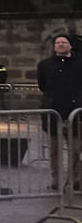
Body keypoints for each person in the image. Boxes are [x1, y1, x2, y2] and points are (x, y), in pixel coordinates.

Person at [39, 33, 81, 195]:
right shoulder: (45, 65)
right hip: (53, 112)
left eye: (64, 42)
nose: (61, 45)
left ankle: (75, 179)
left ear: (70, 45)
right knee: (54, 151)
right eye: (57, 43)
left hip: (76, 113)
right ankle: (55, 179)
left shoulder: (79, 63)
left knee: (75, 149)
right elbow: (42, 84)